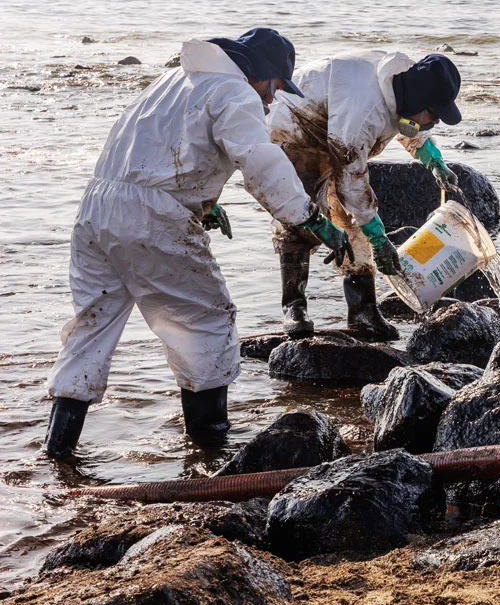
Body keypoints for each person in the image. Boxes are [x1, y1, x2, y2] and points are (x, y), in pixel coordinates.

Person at [44, 28, 354, 459]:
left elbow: (155, 151)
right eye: (275, 87)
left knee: (91, 328)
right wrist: (311, 218)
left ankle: (57, 450)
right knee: (207, 322)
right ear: (260, 73)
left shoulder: (173, 80)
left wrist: (203, 201)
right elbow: (261, 163)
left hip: (96, 211)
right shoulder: (235, 91)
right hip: (153, 219)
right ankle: (210, 446)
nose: (272, 99)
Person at [267, 51, 463, 340]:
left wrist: (434, 160)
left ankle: (363, 311)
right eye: (434, 115)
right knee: (300, 215)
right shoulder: (365, 111)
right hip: (297, 127)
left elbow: (409, 123)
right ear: (420, 101)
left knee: (353, 222)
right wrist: (379, 238)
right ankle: (294, 307)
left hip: (337, 128)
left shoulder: (403, 85)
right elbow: (352, 178)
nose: (434, 122)